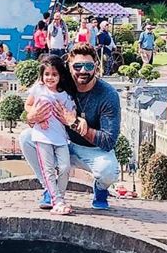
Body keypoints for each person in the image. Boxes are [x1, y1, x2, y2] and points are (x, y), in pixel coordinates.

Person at [21, 41, 121, 211]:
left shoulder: (108, 95)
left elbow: (109, 141)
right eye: (77, 66)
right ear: (69, 66)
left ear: (96, 66)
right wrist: (31, 116)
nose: (83, 71)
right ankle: (51, 189)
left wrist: (75, 123)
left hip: (92, 149)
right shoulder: (60, 84)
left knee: (109, 171)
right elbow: (32, 103)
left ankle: (101, 189)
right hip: (62, 141)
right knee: (26, 138)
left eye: (88, 65)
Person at [24, 54, 77, 215]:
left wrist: (70, 118)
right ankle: (57, 201)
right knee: (47, 169)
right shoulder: (38, 89)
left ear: (60, 76)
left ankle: (58, 197)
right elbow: (28, 104)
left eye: (54, 74)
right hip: (43, 136)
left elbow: (71, 114)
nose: (50, 78)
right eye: (47, 74)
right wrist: (35, 116)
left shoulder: (65, 94)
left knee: (65, 167)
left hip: (60, 137)